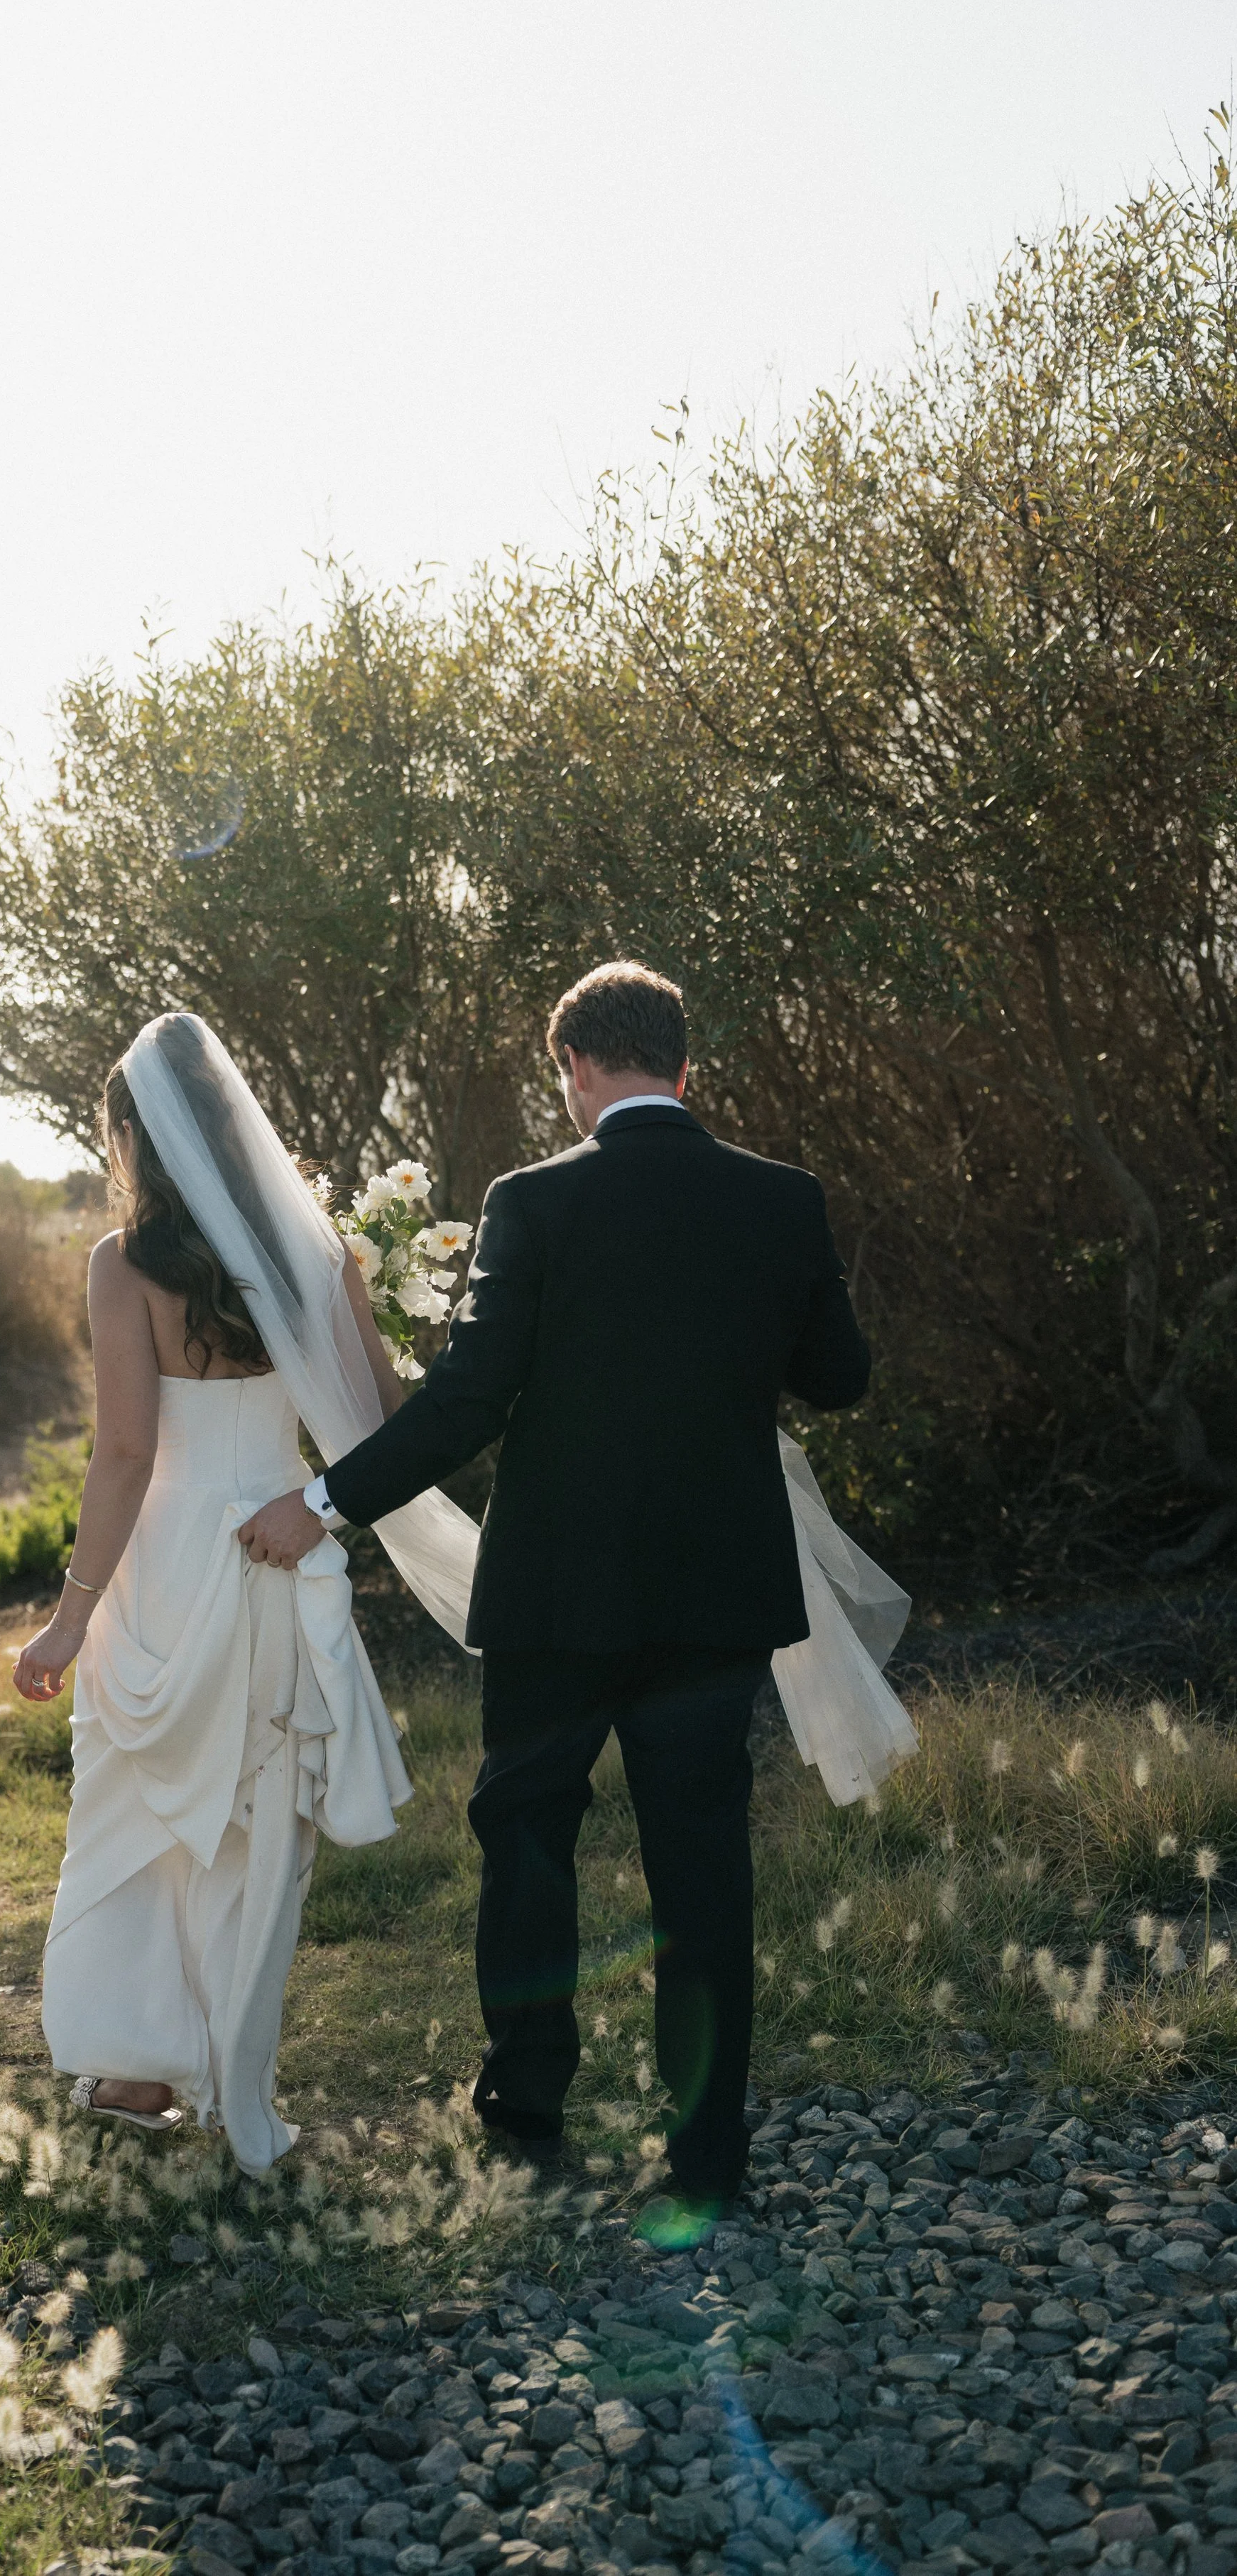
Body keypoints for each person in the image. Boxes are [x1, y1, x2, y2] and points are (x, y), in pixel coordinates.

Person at [235, 961, 885, 2242]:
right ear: (683, 1069)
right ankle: (706, 2148)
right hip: (715, 1593)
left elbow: (470, 1401)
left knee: (527, 1837)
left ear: (577, 1071)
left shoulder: (529, 1202)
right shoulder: (784, 1199)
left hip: (556, 1593)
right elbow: (841, 1379)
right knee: (702, 1863)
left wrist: (320, 1504)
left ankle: (528, 2108)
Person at [11, 1014, 466, 2173]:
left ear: (135, 1134)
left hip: (165, 1570)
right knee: (257, 1830)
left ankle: (137, 2064)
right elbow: (384, 1425)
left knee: (135, 1810)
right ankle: (233, 2077)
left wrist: (72, 1614)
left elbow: (123, 1455)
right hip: (276, 1551)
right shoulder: (318, 1255)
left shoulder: (123, 1265)